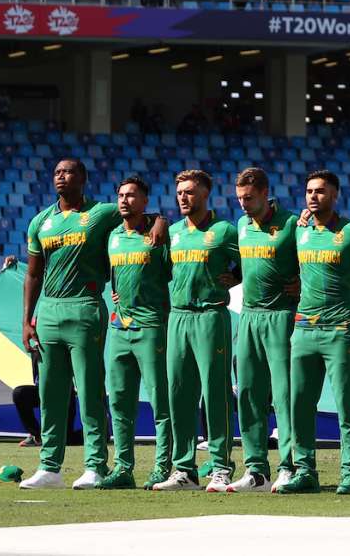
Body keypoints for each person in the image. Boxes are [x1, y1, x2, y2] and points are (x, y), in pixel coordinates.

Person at [19, 159, 166, 490]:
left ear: (83, 179)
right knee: (51, 394)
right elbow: (32, 273)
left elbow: (141, 214)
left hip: (85, 310)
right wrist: (27, 320)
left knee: (89, 391)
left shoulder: (102, 213)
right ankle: (49, 467)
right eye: (56, 172)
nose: (61, 176)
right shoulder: (41, 221)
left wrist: (160, 222)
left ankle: (95, 465)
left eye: (68, 172)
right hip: (49, 313)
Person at [278, 170, 350, 495]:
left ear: (335, 195)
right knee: (300, 404)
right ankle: (305, 470)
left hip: (340, 328)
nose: (313, 197)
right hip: (303, 329)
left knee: (348, 405)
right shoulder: (299, 228)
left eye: (320, 191)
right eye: (309, 191)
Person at [153, 170, 240, 492]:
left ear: (205, 194)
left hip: (210, 316)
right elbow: (160, 271)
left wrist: (238, 277)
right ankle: (184, 470)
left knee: (215, 395)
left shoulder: (224, 231)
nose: (183, 197)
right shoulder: (172, 232)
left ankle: (221, 468)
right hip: (177, 317)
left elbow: (251, 261)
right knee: (178, 394)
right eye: (180, 192)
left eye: (190, 192)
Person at [228, 168, 300, 494]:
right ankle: (256, 470)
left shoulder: (292, 225)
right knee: (248, 395)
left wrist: (305, 283)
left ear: (265, 193)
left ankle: (290, 467)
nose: (244, 204)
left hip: (281, 316)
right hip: (248, 316)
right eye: (240, 198)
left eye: (250, 198)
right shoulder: (241, 226)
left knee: (284, 397)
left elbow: (315, 257)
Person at [99, 176, 173, 490]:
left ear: (145, 201)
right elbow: (115, 275)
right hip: (119, 328)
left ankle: (162, 466)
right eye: (120, 195)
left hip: (152, 326)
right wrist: (118, 294)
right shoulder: (113, 235)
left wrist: (161, 221)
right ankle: (123, 468)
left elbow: (174, 272)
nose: (124, 200)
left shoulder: (160, 235)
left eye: (131, 195)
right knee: (119, 402)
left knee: (160, 401)